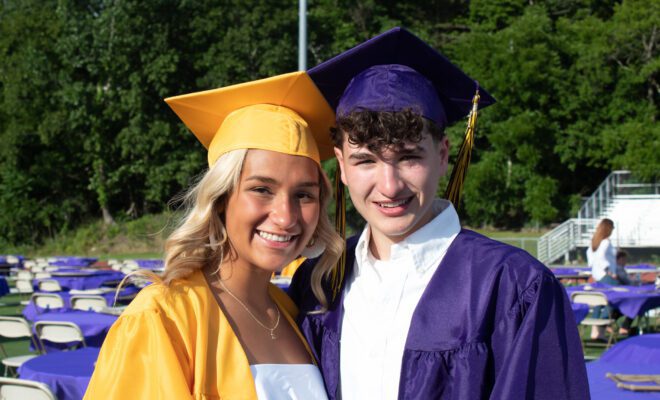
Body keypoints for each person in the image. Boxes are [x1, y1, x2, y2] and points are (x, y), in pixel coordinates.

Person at [289, 27, 589, 399]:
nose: (389, 185)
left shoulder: (513, 287)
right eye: (365, 160)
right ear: (342, 167)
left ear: (444, 155)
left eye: (409, 157)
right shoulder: (318, 283)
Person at [84, 71, 344, 399]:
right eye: (262, 189)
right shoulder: (163, 317)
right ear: (221, 199)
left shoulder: (294, 312)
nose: (285, 216)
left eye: (304, 195)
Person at [586, 218, 617, 283]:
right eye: (612, 228)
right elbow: (600, 257)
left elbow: (590, 258)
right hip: (605, 275)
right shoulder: (606, 242)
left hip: (596, 274)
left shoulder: (594, 242)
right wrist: (609, 271)